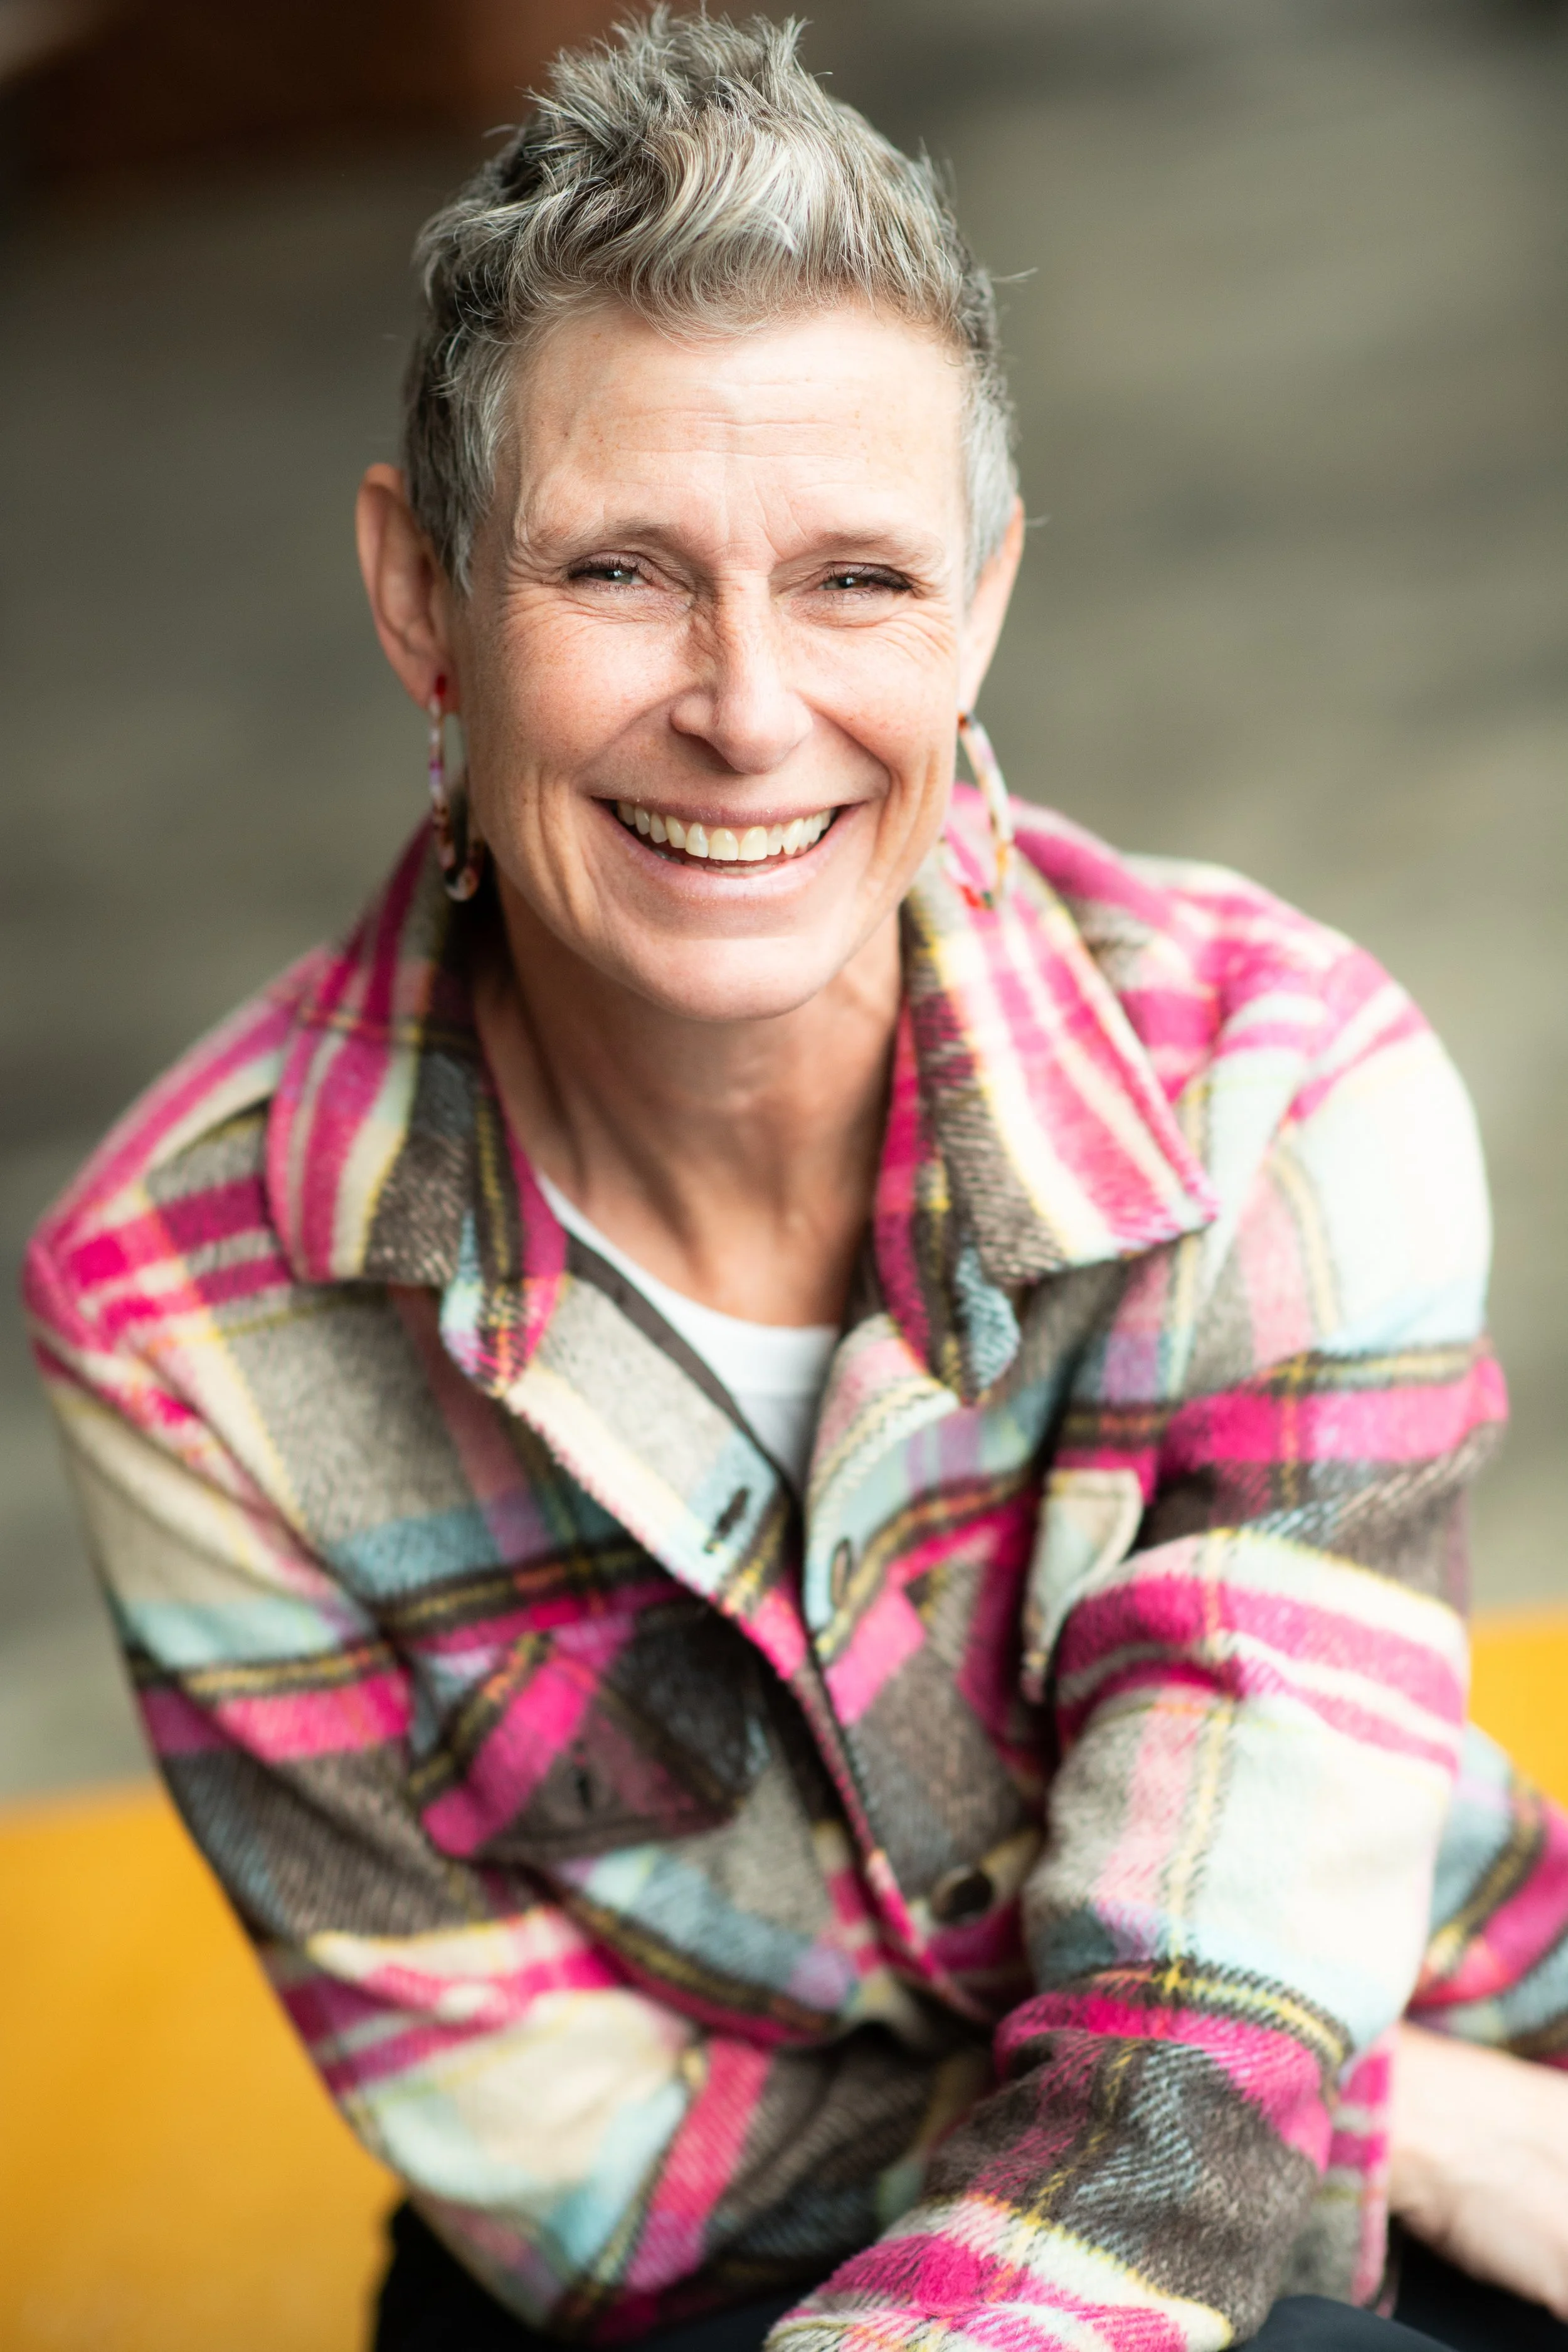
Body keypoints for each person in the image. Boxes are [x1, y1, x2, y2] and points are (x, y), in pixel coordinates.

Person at [24, 14, 1568, 2349]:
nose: (749, 707)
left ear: (984, 606)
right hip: (751, 2241)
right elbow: (580, 2174)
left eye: (856, 578)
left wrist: (1366, 2112)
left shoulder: (1281, 1090)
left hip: (1342, 2029)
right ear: (422, 597)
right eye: (623, 570)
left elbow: (1216, 2026)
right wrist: (1409, 2124)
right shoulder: (183, 1310)